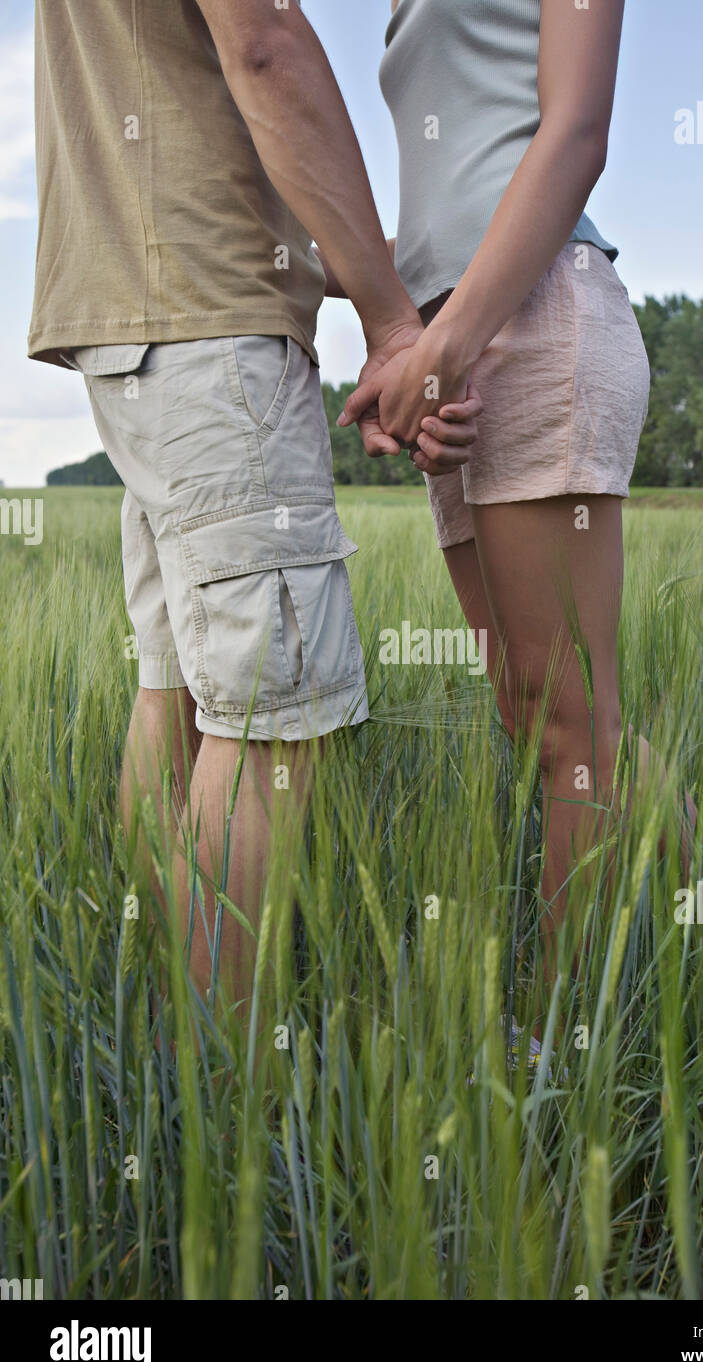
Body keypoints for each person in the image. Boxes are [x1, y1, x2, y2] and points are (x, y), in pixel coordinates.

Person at [26, 0, 475, 1008]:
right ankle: (231, 1089)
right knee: (276, 722)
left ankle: (172, 1018)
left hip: (133, 323)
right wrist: (389, 319)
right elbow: (265, 46)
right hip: (210, 317)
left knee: (178, 687)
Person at [338, 0, 653, 1012]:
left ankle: (568, 1052)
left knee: (568, 723)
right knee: (531, 715)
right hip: (454, 349)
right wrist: (399, 345)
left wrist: (444, 343)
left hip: (528, 315)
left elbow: (575, 133)